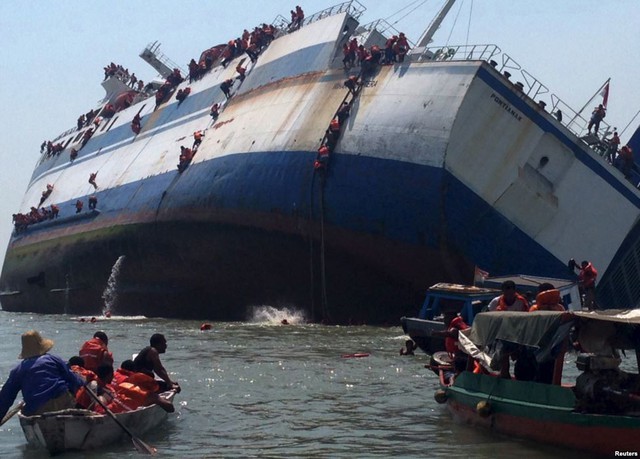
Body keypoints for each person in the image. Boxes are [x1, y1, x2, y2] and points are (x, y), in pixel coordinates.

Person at [0, 331, 84, 419]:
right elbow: (74, 380)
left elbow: (5, 398)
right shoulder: (53, 359)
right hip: (62, 400)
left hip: (37, 408)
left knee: (28, 410)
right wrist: (81, 382)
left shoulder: (17, 370)